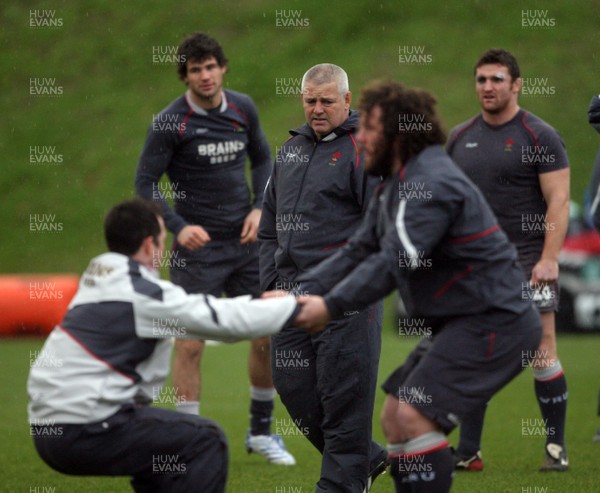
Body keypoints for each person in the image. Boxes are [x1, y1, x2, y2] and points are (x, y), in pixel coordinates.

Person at [287, 80, 542, 493]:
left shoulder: (429, 184)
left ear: (398, 134)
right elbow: (358, 249)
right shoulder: (397, 183)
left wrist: (329, 306)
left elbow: (393, 261)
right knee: (394, 416)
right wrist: (298, 291)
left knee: (412, 416)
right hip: (463, 322)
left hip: (497, 321)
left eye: (369, 128)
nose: (361, 137)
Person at [27, 199, 298, 492]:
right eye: (161, 240)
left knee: (162, 454)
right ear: (147, 246)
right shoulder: (141, 293)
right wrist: (287, 306)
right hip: (83, 429)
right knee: (206, 439)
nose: (165, 249)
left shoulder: (98, 278)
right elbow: (221, 322)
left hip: (48, 429)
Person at [135, 32, 295, 465]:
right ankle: (189, 439)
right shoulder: (170, 122)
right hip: (197, 249)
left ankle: (261, 433)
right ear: (185, 76)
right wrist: (177, 227)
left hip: (245, 243)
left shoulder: (243, 107)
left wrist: (261, 207)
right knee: (189, 344)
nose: (204, 76)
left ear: (223, 68)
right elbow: (145, 182)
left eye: (210, 67)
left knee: (264, 334)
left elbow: (263, 158)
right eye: (194, 70)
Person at [258, 63, 387, 492]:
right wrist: (268, 284)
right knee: (294, 389)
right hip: (290, 299)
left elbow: (378, 233)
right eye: (310, 100)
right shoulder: (289, 152)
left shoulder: (364, 152)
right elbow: (268, 227)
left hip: (345, 302)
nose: (317, 109)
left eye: (327, 101)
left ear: (347, 101)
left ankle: (342, 482)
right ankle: (366, 460)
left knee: (344, 402)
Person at [446, 48, 570, 472]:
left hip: (530, 261)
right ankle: (469, 452)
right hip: (475, 267)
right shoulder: (460, 138)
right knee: (473, 353)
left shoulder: (540, 136)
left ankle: (555, 448)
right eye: (481, 79)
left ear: (516, 84)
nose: (488, 87)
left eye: (497, 79)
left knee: (541, 350)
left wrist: (550, 259)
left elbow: (559, 201)